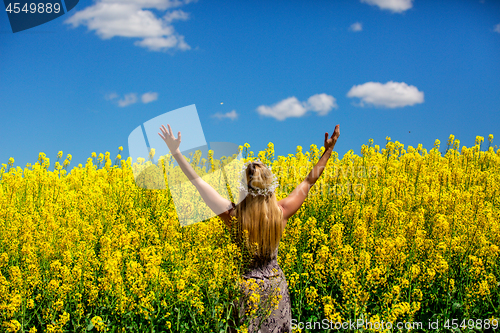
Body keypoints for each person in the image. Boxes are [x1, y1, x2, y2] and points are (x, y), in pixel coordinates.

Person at [159, 123, 340, 333]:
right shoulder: (281, 212)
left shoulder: (234, 216)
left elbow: (198, 183)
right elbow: (309, 181)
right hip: (275, 290)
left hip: (245, 290)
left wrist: (176, 151)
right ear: (270, 185)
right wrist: (328, 151)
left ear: (244, 188)